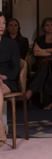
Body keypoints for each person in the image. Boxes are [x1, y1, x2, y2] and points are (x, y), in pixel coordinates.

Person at [27, 17, 52, 110]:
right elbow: (36, 53)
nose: (49, 27)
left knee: (46, 66)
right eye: (47, 25)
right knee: (45, 67)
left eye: (51, 25)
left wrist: (44, 50)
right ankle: (47, 101)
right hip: (40, 62)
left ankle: (31, 90)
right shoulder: (39, 39)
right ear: (43, 28)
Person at [0, 12, 20, 147]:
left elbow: (16, 68)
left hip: (7, 81)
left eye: (3, 23)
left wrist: (5, 76)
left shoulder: (12, 44)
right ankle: (0, 127)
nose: (1, 26)